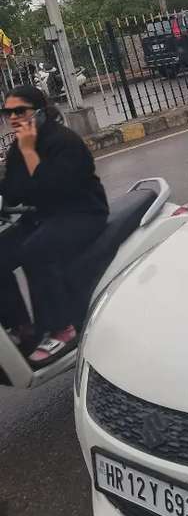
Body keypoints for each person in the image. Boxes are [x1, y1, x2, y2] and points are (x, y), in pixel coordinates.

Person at [0, 85, 108, 365]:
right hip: (45, 215)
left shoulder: (64, 141)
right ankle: (21, 327)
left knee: (36, 249)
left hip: (82, 213)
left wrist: (29, 157)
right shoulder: (19, 147)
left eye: (19, 111)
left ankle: (63, 328)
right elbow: (13, 190)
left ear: (39, 111)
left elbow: (53, 189)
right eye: (8, 112)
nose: (13, 118)